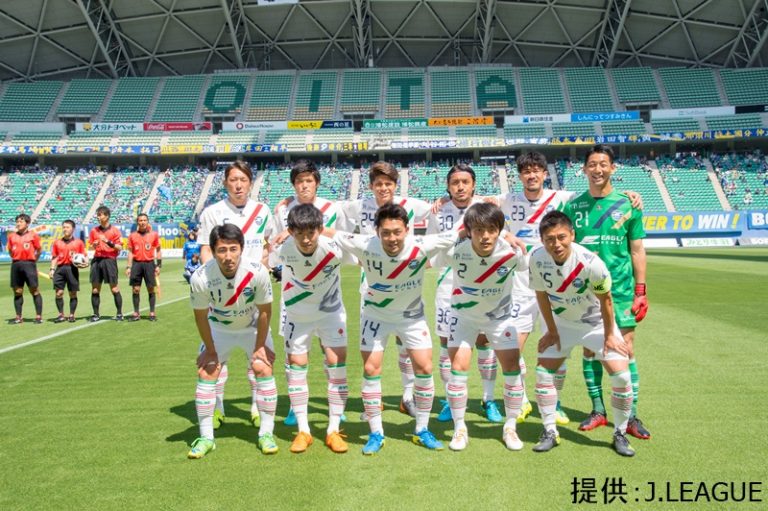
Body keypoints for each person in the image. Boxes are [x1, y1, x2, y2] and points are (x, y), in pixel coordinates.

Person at [331, 203, 457, 454]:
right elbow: (330, 233)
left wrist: (507, 236)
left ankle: (422, 429)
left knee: (425, 368)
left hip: (411, 317)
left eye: (397, 232)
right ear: (377, 231)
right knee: (370, 369)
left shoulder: (422, 245)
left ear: (407, 230)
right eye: (386, 232)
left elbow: (460, 233)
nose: (392, 238)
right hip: (375, 316)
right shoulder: (365, 244)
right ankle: (376, 433)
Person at [529, 211, 635, 457]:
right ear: (542, 240)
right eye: (549, 239)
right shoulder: (536, 258)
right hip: (562, 323)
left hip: (595, 324)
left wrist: (610, 335)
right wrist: (551, 330)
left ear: (572, 235)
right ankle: (549, 431)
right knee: (543, 373)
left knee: (621, 377)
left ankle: (620, 433)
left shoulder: (591, 263)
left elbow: (606, 300)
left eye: (561, 237)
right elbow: (541, 295)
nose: (556, 244)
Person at [564, 144, 650, 440]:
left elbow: (637, 250)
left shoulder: (629, 204)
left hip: (621, 290)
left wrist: (641, 291)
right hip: (585, 292)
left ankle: (631, 415)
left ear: (613, 168)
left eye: (603, 164)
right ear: (584, 169)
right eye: (592, 164)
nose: (597, 169)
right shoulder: (573, 206)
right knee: (590, 350)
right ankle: (598, 409)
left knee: (626, 349)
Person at [336, 161, 433, 419]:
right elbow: (337, 215)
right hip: (372, 288)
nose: (383, 188)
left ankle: (407, 397)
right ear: (371, 186)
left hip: (405, 286)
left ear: (395, 185)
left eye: (388, 183)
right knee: (372, 351)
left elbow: (440, 206)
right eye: (378, 184)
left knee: (405, 346)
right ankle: (374, 402)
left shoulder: (412, 205)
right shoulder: (359, 206)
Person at [442, 203, 528, 451]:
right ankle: (460, 428)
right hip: (464, 318)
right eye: (479, 230)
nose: (485, 236)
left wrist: (509, 236)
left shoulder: (512, 254)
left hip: (499, 319)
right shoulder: (455, 251)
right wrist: (459, 234)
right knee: (458, 369)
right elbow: (428, 249)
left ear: (499, 230)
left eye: (492, 230)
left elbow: (529, 264)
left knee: (512, 368)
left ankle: (510, 427)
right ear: (469, 231)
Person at [197, 160, 275, 431]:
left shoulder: (262, 210)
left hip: (253, 291)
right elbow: (205, 248)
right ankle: (217, 408)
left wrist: (263, 267)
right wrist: (212, 282)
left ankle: (256, 407)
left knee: (259, 357)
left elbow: (268, 244)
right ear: (225, 183)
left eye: (243, 179)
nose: (238, 185)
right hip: (222, 294)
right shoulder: (213, 212)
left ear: (250, 183)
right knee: (216, 357)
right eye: (233, 180)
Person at [187, 224, 275, 459]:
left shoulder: (258, 272)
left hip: (252, 327)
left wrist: (260, 347)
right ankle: (206, 438)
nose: (228, 256)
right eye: (222, 250)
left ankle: (266, 434)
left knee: (263, 367)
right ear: (213, 251)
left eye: (233, 249)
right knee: (207, 371)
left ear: (242, 249)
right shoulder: (200, 277)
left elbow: (265, 312)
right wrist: (210, 350)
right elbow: (200, 317)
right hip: (219, 328)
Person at [427, 164, 502, 424]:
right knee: (447, 343)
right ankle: (451, 399)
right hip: (448, 282)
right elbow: (432, 245)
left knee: (484, 341)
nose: (460, 187)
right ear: (448, 186)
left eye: (465, 182)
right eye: (455, 182)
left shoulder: (486, 207)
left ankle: (488, 399)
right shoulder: (438, 211)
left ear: (473, 185)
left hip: (481, 281)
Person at [270, 159, 340, 428]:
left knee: (328, 349)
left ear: (317, 183)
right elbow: (276, 241)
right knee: (295, 353)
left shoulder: (331, 208)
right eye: (299, 182)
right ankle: (294, 405)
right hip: (294, 292)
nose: (304, 186)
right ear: (293, 185)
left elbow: (339, 237)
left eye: (309, 181)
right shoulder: (283, 210)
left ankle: (334, 403)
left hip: (327, 290)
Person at [276, 204, 348, 453]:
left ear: (320, 229)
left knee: (337, 366)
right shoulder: (282, 249)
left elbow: (365, 256)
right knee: (296, 367)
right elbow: (262, 264)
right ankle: (303, 430)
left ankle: (333, 430)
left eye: (311, 233)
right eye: (300, 234)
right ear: (290, 232)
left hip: (331, 314)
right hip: (297, 316)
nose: (306, 240)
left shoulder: (334, 249)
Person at [87, 206, 124, 322]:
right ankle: (96, 314)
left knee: (114, 288)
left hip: (109, 260)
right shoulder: (94, 231)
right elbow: (90, 246)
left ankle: (119, 313)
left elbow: (120, 247)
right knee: (95, 289)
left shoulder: (115, 231)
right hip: (97, 260)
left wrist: (108, 242)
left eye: (100, 215)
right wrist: (94, 245)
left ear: (107, 216)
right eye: (97, 215)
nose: (98, 217)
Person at [125, 213, 162, 321]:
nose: (142, 222)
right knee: (135, 289)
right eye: (140, 220)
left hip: (149, 264)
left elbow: (158, 250)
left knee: (150, 289)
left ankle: (152, 313)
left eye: (144, 220)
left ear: (147, 221)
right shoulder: (132, 236)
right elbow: (130, 252)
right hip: (136, 264)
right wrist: (128, 267)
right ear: (137, 222)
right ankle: (136, 313)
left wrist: (158, 265)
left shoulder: (154, 235)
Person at [7, 213, 43, 324]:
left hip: (29, 264)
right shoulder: (11, 236)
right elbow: (10, 251)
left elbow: (39, 250)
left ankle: (38, 316)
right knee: (17, 291)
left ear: (27, 223)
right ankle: (18, 317)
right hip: (16, 264)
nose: (18, 224)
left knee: (34, 290)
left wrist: (33, 262)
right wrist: (17, 259)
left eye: (21, 221)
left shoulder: (33, 235)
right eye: (17, 221)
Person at [49, 219, 86, 323]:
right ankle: (61, 315)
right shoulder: (57, 242)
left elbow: (84, 257)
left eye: (67, 227)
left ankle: (71, 315)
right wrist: (52, 269)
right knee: (59, 293)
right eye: (64, 227)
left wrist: (85, 264)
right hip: (60, 269)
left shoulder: (78, 243)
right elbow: (54, 257)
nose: (65, 229)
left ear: (73, 229)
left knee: (72, 293)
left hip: (72, 269)